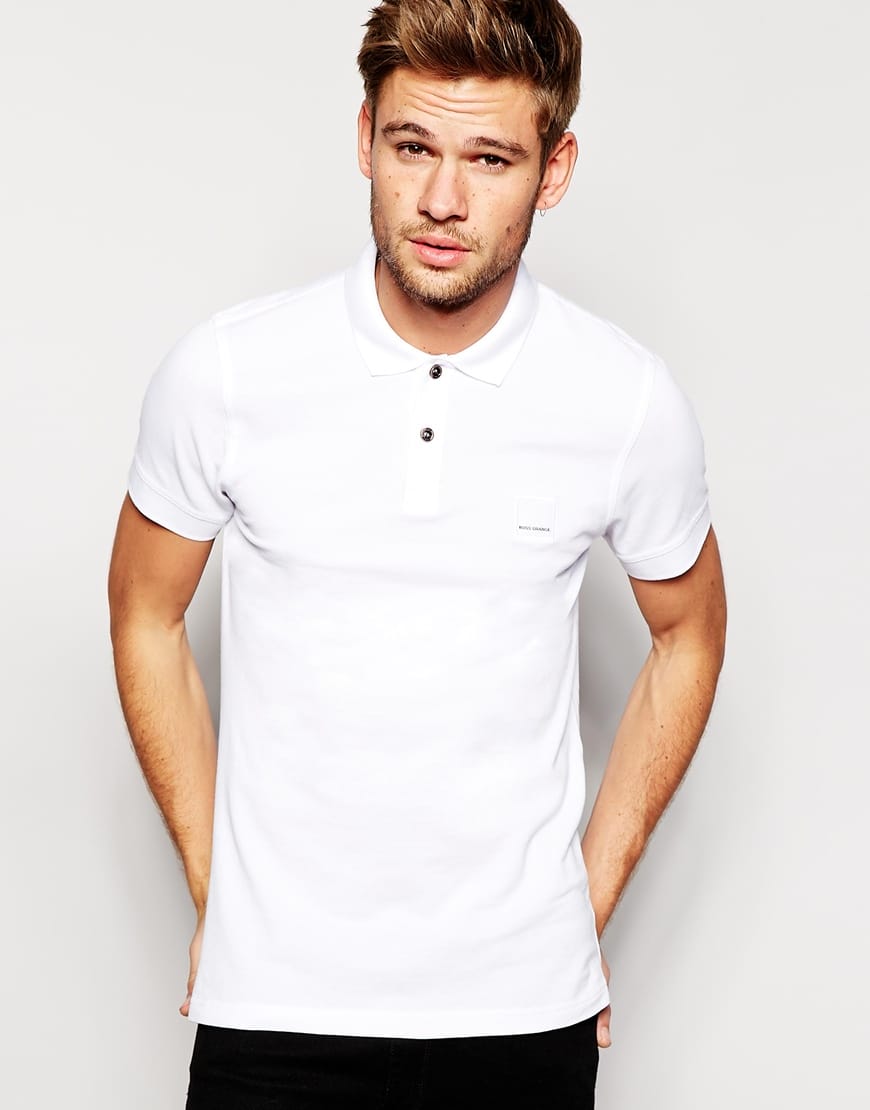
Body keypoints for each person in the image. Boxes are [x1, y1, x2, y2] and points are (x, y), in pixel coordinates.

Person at [108, 1, 727, 1106]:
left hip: (521, 1019)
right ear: (365, 139)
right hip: (275, 1014)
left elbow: (691, 634)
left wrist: (578, 912)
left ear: (554, 169)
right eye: (412, 147)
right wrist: (219, 890)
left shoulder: (624, 399)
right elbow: (143, 613)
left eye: (490, 158)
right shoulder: (228, 373)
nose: (443, 200)